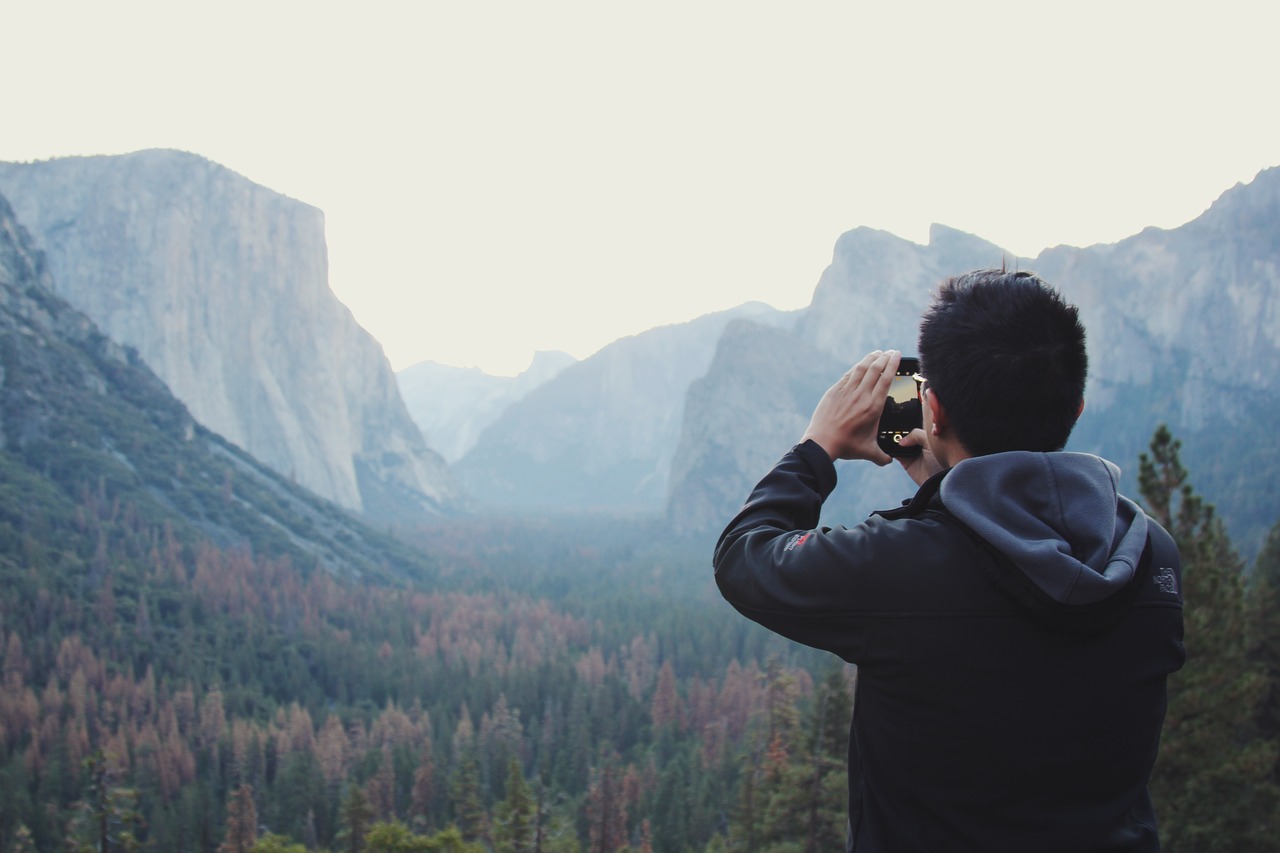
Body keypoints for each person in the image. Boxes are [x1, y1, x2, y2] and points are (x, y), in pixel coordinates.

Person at [713, 269, 1185, 852]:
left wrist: (818, 446)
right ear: (1077, 405)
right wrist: (946, 487)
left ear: (931, 408)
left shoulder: (899, 568)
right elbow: (1013, 573)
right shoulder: (1149, 553)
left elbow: (745, 557)